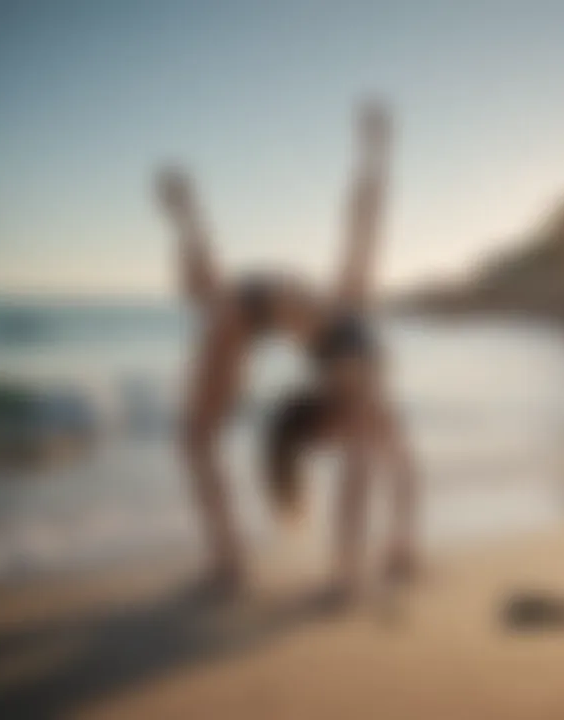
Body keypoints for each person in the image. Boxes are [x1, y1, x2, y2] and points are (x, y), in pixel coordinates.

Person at [155, 101, 417, 599]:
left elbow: (364, 218)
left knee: (196, 437)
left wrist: (377, 151)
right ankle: (282, 563)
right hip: (266, 314)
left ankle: (236, 559)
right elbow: (365, 217)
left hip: (264, 314)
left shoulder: (348, 329)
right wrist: (377, 150)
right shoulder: (350, 321)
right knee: (197, 435)